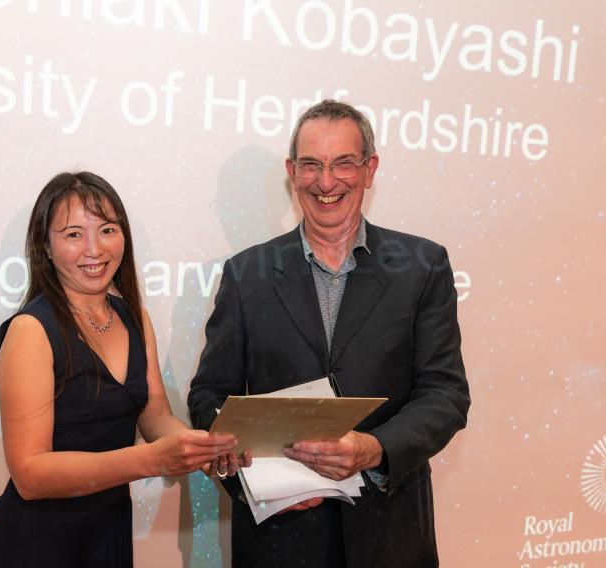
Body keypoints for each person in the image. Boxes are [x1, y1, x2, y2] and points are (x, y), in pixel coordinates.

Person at [187, 100, 470, 567]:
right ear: (291, 172)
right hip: (279, 537)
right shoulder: (246, 274)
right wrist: (251, 478)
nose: (326, 182)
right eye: (311, 165)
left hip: (392, 537)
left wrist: (375, 449)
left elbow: (445, 395)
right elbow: (209, 396)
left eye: (344, 163)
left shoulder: (424, 266)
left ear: (370, 168)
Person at [0, 171, 239, 567]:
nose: (94, 249)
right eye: (73, 234)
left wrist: (201, 449)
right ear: (45, 247)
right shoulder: (31, 330)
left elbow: (154, 414)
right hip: (34, 544)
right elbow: (29, 476)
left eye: (107, 230)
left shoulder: (134, 317)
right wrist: (151, 461)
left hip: (108, 534)